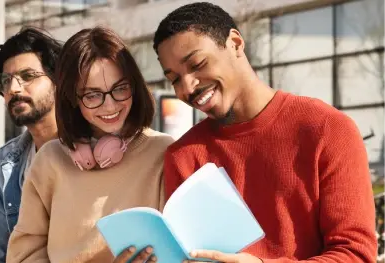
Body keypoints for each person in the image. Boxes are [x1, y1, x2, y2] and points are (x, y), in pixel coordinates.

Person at [152, 2, 377, 263]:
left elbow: (356, 255)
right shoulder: (183, 155)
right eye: (174, 79)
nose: (187, 87)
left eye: (197, 63)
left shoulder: (327, 130)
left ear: (235, 43)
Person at [6, 26, 175, 263]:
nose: (110, 106)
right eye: (92, 95)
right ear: (71, 99)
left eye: (120, 88)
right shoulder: (50, 160)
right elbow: (23, 256)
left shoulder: (163, 152)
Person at [0, 27, 62, 263]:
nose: (13, 88)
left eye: (28, 76)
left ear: (56, 80)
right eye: (6, 81)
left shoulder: (97, 150)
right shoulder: (5, 164)